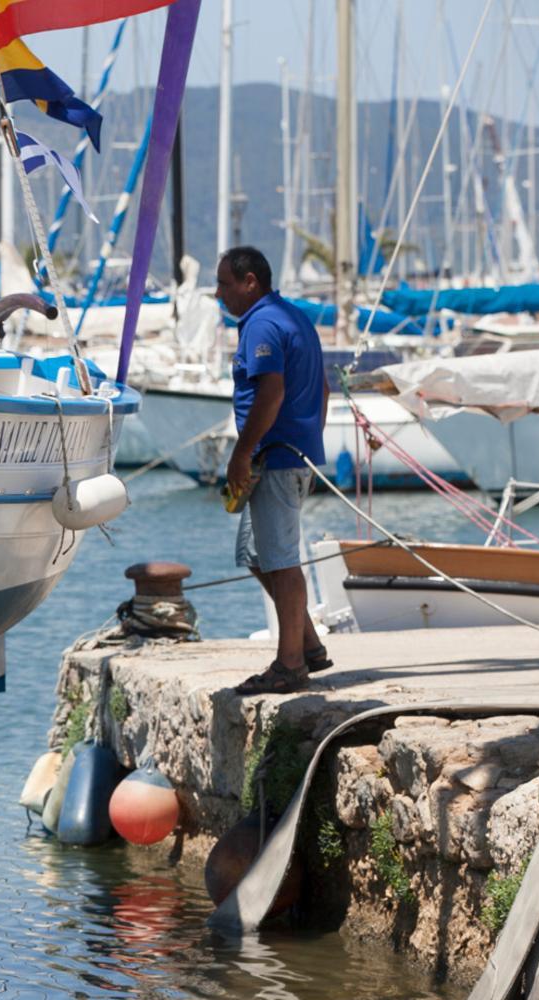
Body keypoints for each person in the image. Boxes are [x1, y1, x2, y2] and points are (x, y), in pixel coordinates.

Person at [215, 246, 331, 695]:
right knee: (255, 554)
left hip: (275, 458)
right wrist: (311, 441)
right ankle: (309, 645)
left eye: (225, 283)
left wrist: (242, 454)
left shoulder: (264, 323)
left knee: (281, 561)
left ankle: (290, 665)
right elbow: (322, 389)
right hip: (288, 456)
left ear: (250, 282)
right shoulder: (293, 316)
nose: (219, 293)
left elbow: (271, 393)